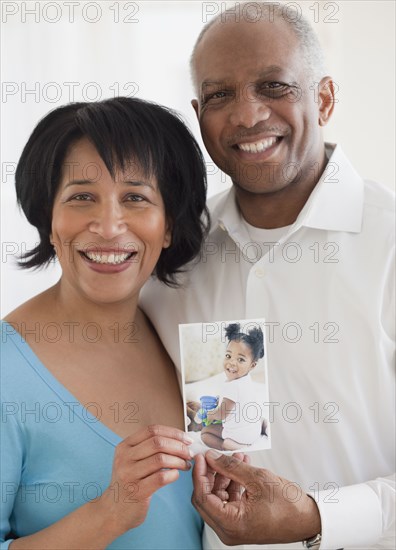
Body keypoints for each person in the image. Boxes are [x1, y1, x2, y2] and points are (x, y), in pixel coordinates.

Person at [140, 2, 395, 549]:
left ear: (323, 97)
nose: (248, 115)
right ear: (198, 112)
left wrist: (316, 516)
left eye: (273, 86)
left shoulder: (389, 245)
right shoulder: (172, 265)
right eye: (219, 95)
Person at [0, 96, 210, 549]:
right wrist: (110, 512)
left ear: (168, 224)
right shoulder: (6, 370)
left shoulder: (184, 340)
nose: (110, 226)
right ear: (49, 219)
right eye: (81, 197)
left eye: (135, 197)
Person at [196, 323, 264, 451]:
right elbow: (237, 401)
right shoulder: (246, 380)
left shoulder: (232, 387)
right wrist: (220, 401)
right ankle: (263, 428)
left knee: (205, 433)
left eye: (241, 359)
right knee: (259, 419)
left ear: (252, 365)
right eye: (228, 356)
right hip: (254, 430)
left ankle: (232, 446)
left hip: (239, 436)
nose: (232, 362)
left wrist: (211, 415)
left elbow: (222, 415)